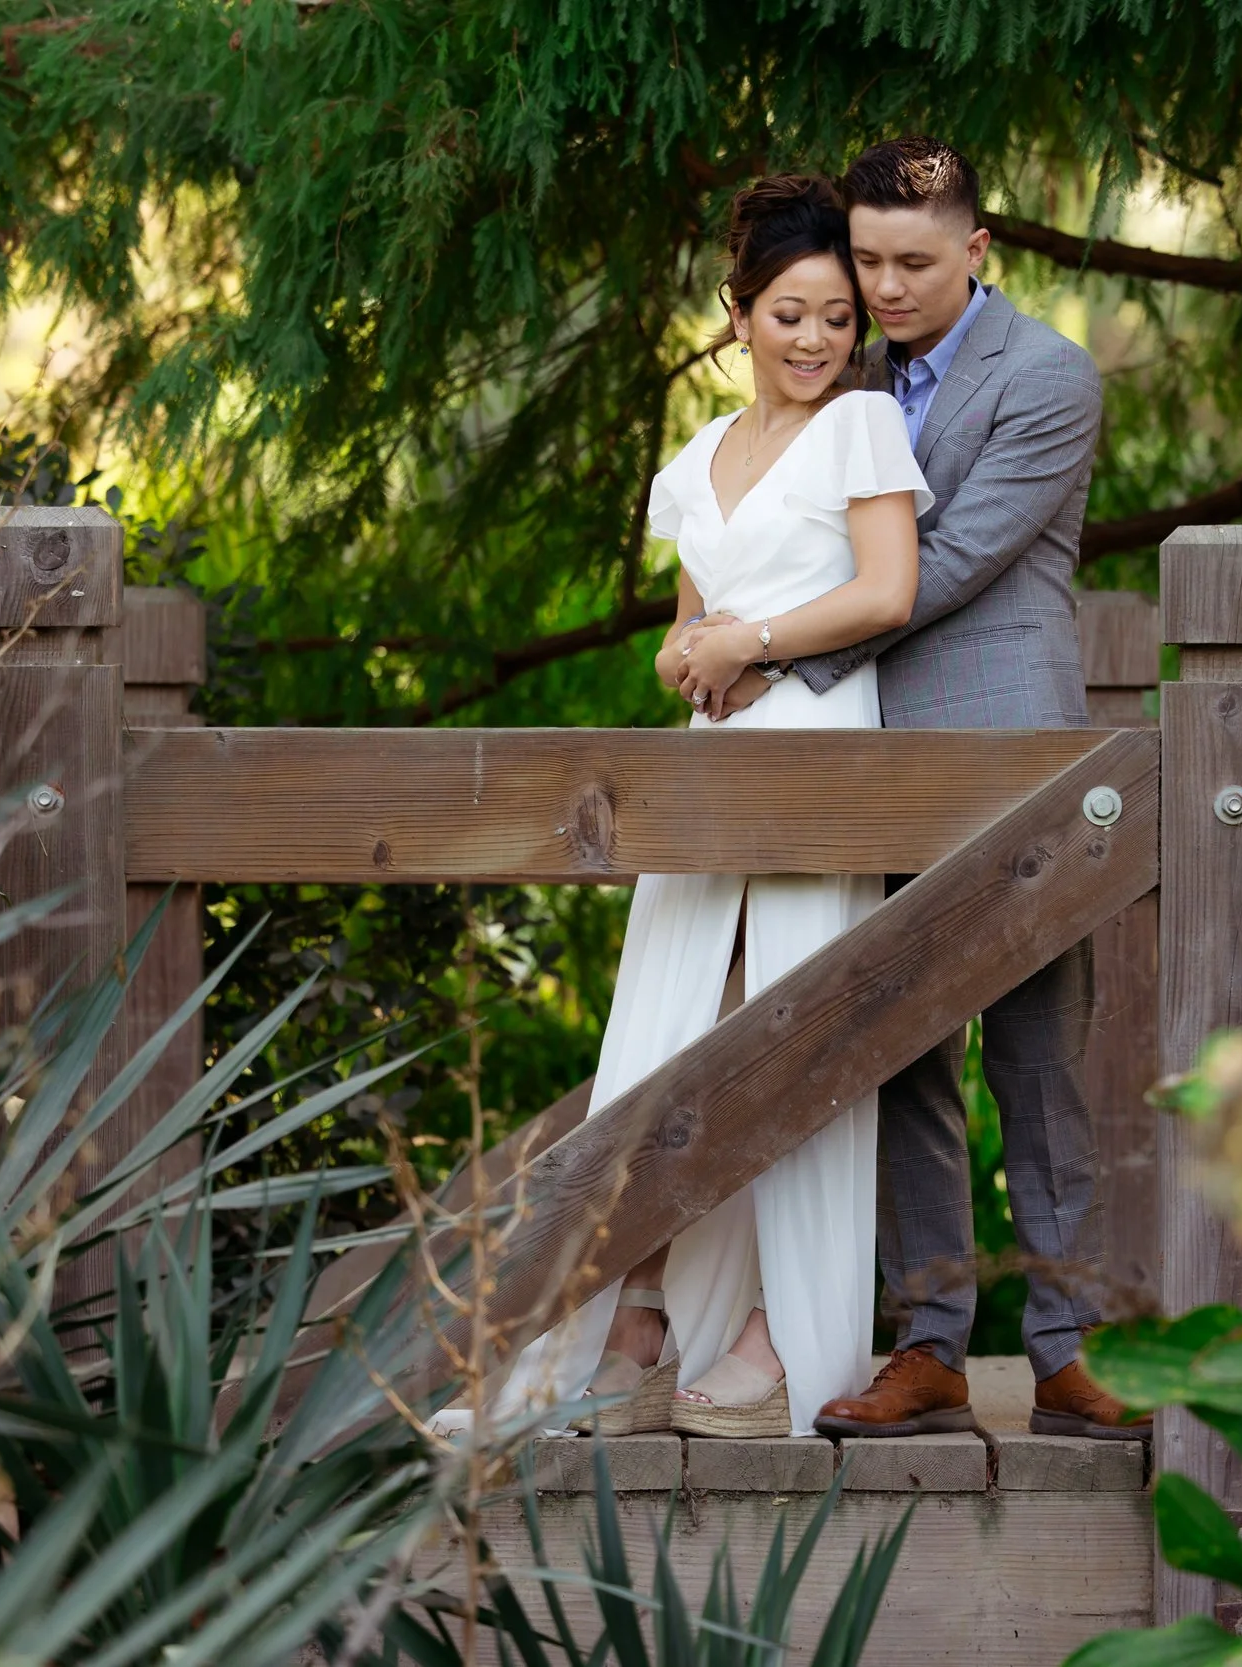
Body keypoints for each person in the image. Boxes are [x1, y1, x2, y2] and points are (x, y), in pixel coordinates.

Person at [473, 174, 931, 1440]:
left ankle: (786, 1336)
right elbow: (682, 634)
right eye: (789, 313)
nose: (816, 340)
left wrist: (754, 644)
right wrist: (690, 658)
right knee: (666, 1034)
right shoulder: (697, 462)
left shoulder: (863, 431)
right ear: (737, 314)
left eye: (838, 318)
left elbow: (887, 593)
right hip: (709, 754)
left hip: (819, 747)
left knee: (790, 1025)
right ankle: (626, 1325)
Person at [713, 137, 1147, 1442]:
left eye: (913, 262)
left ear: (980, 248)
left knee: (1037, 1055)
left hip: (1008, 745)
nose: (886, 289)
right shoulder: (839, 370)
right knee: (901, 1056)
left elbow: (949, 561)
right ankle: (930, 1343)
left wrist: (765, 645)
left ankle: (1071, 1344)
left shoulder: (1050, 378)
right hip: (858, 755)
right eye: (869, 262)